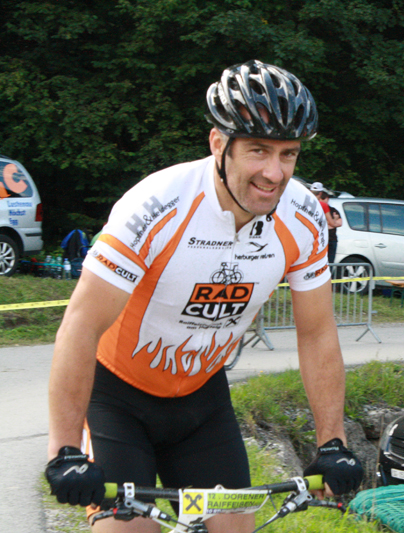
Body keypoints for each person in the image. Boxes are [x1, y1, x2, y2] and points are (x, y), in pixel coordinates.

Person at [45, 60, 363, 532]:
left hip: (201, 402)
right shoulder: (157, 205)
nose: (274, 173)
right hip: (117, 399)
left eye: (288, 155)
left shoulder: (303, 216)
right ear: (219, 143)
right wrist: (65, 451)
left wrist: (332, 443)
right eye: (258, 150)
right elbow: (80, 325)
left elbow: (316, 332)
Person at [311, 182, 342, 263]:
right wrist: (335, 219)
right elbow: (332, 223)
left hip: (310, 238)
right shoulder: (323, 205)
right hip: (322, 238)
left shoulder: (305, 203)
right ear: (320, 193)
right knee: (327, 262)